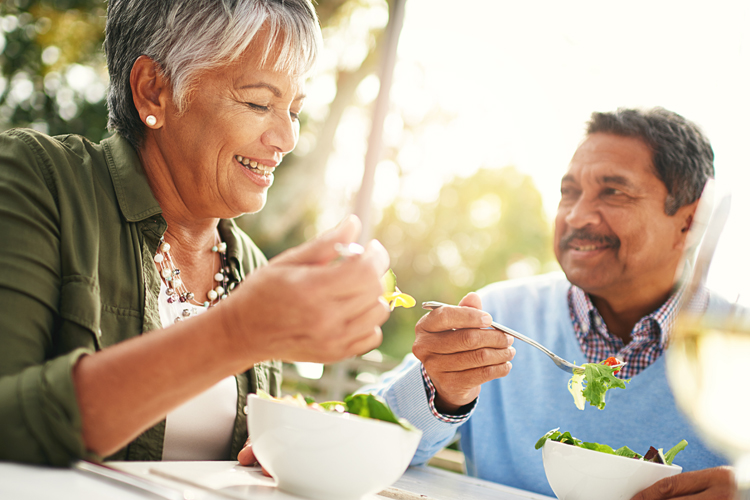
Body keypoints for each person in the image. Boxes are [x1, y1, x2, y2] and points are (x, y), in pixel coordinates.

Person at [0, 0, 391, 465]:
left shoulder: (250, 267)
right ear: (153, 91)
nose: (286, 139)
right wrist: (237, 331)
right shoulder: (40, 180)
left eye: (294, 110)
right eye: (259, 102)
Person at [366, 108, 736, 499]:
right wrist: (441, 392)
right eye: (569, 192)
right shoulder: (496, 318)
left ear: (690, 220)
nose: (576, 215)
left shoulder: (735, 343)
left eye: (614, 192)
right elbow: (362, 439)